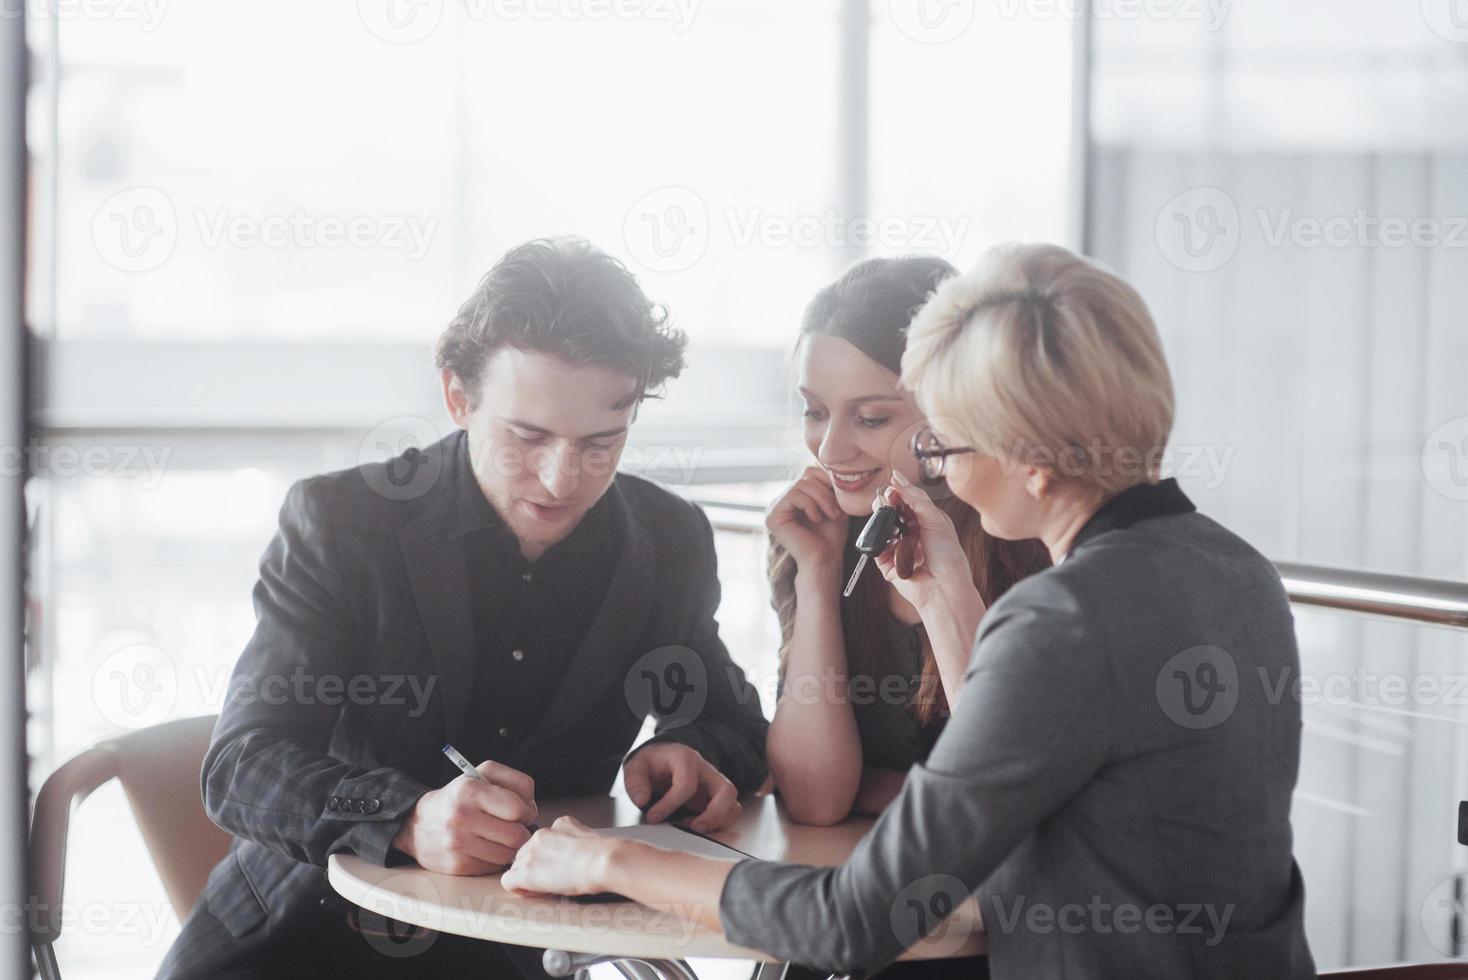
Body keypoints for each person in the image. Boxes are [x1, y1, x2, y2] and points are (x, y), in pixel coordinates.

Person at [502, 243, 1319, 980]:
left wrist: (610, 861)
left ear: (1030, 460)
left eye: (951, 444)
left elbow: (853, 919)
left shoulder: (1063, 620)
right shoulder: (1236, 570)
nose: (942, 469)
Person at [157, 237, 770, 979]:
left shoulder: (667, 538)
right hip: (301, 942)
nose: (559, 478)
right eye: (527, 436)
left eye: (601, 444)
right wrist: (407, 819)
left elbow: (734, 720)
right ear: (457, 396)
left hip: (517, 952)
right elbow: (243, 766)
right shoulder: (341, 521)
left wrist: (691, 750)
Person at [764, 256, 1047, 832]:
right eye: (814, 412)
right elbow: (816, 800)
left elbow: (1022, 799)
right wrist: (817, 577)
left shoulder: (1029, 540)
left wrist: (879, 787)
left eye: (870, 419)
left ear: (957, 412)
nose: (830, 450)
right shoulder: (817, 531)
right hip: (871, 882)